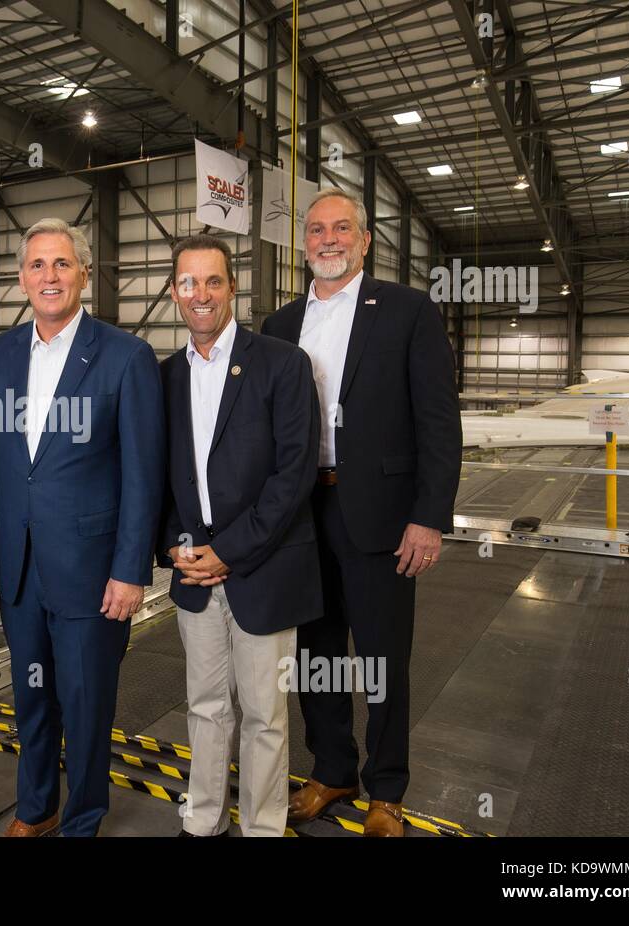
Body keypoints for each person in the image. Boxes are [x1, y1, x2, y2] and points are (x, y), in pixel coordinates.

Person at [262, 188, 462, 836]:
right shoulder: (280, 325)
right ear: (303, 243)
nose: (327, 239)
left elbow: (438, 422)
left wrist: (428, 517)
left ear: (365, 239)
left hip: (379, 514)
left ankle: (386, 790)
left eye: (341, 228)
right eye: (316, 229)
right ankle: (332, 770)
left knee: (381, 657)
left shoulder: (406, 311)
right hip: (300, 513)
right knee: (316, 656)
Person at [0, 217, 165, 837]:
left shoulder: (126, 357)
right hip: (19, 568)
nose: (48, 277)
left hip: (92, 572)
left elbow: (143, 474)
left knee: (85, 708)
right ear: (21, 277)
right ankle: (36, 809)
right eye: (36, 266)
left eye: (61, 265)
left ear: (85, 273)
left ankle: (82, 820)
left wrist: (131, 570)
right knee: (30, 699)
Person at [157, 234, 321, 837]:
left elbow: (293, 474)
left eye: (213, 281)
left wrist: (228, 551)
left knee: (265, 716)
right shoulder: (165, 376)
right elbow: (161, 476)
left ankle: (262, 826)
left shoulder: (282, 363)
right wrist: (178, 547)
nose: (201, 294)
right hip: (193, 571)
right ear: (175, 292)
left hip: (265, 570)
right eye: (188, 283)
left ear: (232, 288)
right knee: (204, 708)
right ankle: (202, 820)